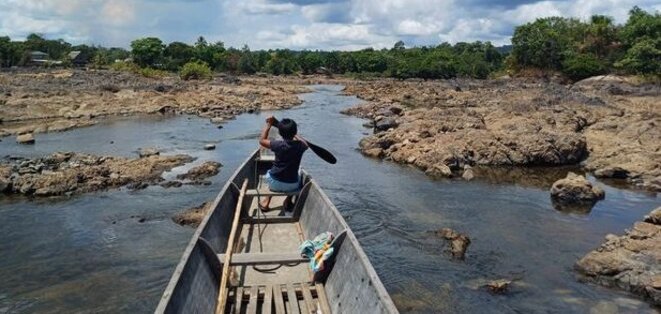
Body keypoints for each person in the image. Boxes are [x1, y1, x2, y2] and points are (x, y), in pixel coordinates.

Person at [258, 116, 308, 212]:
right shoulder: (301, 146)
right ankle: (288, 201)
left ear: (280, 133)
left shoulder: (278, 144)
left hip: (274, 184)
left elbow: (262, 141)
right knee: (299, 172)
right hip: (292, 185)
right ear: (295, 132)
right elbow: (305, 143)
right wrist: (295, 134)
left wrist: (269, 125)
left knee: (271, 173)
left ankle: (266, 202)